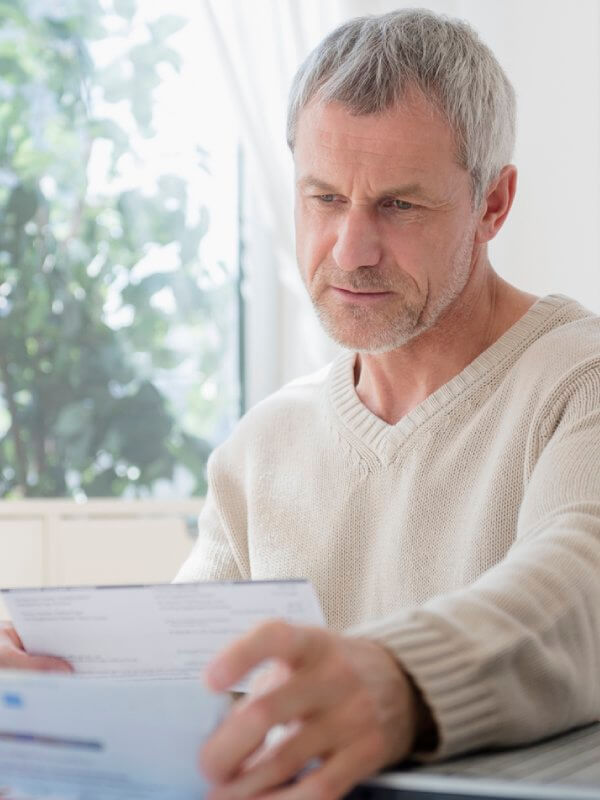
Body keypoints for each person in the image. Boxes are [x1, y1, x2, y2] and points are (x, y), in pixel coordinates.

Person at [1, 8, 599, 800]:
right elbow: (185, 675)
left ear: (493, 204)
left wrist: (401, 683)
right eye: (323, 198)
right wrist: (56, 683)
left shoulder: (577, 378)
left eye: (399, 205)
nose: (349, 250)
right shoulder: (262, 448)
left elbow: (582, 588)